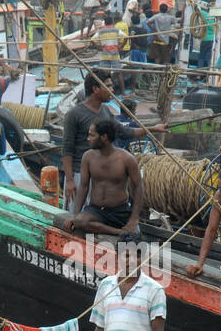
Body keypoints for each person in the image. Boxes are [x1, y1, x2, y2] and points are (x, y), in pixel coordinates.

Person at [60, 70, 164, 207]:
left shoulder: (106, 111)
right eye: (108, 86)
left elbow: (123, 132)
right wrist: (69, 181)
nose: (112, 90)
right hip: (79, 175)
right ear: (95, 89)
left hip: (100, 175)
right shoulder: (74, 114)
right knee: (75, 218)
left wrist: (152, 129)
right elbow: (67, 149)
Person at [64, 119, 144, 238]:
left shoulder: (127, 159)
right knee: (80, 221)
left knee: (136, 241)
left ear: (104, 137)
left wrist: (134, 218)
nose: (88, 138)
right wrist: (75, 215)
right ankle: (119, 232)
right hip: (95, 211)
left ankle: (122, 230)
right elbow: (84, 186)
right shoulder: (88, 157)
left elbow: (138, 187)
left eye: (92, 135)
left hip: (119, 211)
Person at [92, 14, 126, 94]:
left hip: (105, 55)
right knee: (119, 73)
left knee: (104, 75)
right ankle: (123, 93)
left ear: (105, 23)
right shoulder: (116, 30)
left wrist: (99, 47)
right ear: (112, 22)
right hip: (115, 55)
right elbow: (126, 37)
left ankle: (104, 92)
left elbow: (92, 40)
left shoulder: (101, 31)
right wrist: (121, 46)